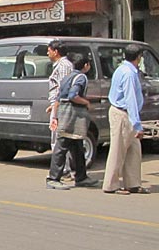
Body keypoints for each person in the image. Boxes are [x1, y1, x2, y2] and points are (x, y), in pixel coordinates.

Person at [45, 54, 98, 190]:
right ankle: (53, 178)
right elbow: (73, 95)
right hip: (73, 114)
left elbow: (58, 97)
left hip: (64, 112)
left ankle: (81, 177)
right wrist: (86, 102)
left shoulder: (67, 77)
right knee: (62, 145)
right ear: (85, 65)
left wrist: (55, 113)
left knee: (77, 145)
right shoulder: (81, 77)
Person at [102, 44, 150, 195]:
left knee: (133, 150)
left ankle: (133, 183)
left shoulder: (123, 69)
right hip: (123, 114)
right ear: (138, 57)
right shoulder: (128, 73)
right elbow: (130, 99)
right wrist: (137, 124)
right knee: (118, 150)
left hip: (126, 113)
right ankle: (111, 185)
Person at [46, 41, 74, 177]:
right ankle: (65, 168)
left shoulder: (63, 66)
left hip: (61, 107)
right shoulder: (61, 65)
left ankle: (63, 169)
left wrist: (55, 107)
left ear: (56, 51)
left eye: (49, 50)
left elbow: (62, 90)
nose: (48, 53)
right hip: (57, 105)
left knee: (58, 139)